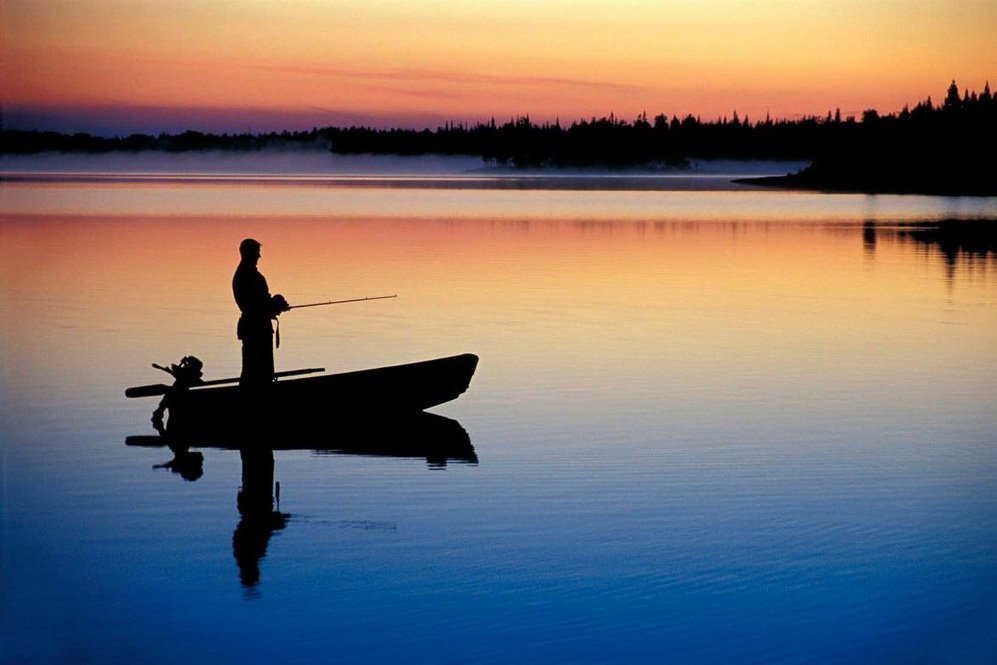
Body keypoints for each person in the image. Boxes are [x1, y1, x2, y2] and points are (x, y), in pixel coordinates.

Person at [232, 239, 290, 388]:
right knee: (256, 371)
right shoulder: (248, 275)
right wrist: (276, 305)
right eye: (257, 253)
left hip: (255, 327)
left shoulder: (246, 274)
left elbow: (260, 302)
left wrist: (274, 305)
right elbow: (257, 304)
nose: (259, 257)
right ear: (249, 253)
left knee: (256, 370)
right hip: (256, 329)